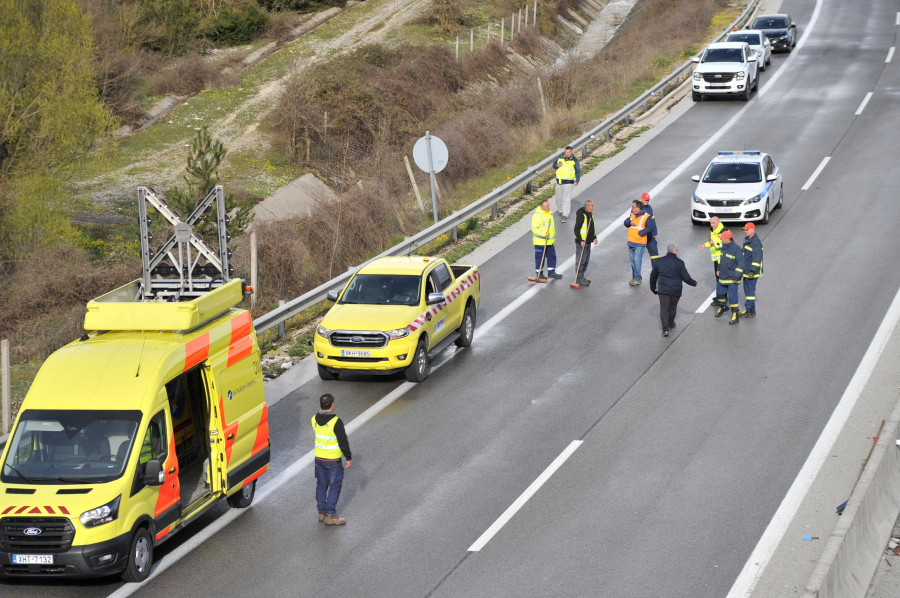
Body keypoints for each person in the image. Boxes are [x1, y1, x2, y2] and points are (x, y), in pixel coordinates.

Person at [312, 393, 352, 525]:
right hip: (332, 460)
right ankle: (330, 515)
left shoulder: (314, 419)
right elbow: (343, 441)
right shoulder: (336, 422)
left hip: (319, 458)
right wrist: (348, 457)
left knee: (321, 484)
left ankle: (321, 513)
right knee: (335, 485)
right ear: (332, 404)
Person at [649, 244, 697, 336]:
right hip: (676, 290)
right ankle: (671, 324)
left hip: (663, 290)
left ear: (667, 251)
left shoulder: (659, 261)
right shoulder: (680, 262)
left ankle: (665, 330)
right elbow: (686, 277)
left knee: (664, 308)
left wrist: (652, 288)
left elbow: (653, 276)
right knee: (672, 308)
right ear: (675, 251)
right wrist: (694, 283)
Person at [714, 230, 742, 325]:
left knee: (733, 297)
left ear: (727, 239)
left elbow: (741, 264)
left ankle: (735, 314)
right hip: (723, 276)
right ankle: (723, 307)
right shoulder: (724, 248)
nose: (721, 239)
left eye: (722, 238)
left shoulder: (736, 249)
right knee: (720, 293)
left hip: (732, 278)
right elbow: (721, 260)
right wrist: (718, 269)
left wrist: (736, 276)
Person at [699, 216, 726, 308]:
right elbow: (711, 242)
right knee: (718, 279)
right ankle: (720, 296)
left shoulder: (724, 231)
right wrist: (705, 245)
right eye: (710, 223)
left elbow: (727, 244)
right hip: (716, 259)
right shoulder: (713, 231)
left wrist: (715, 244)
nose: (711, 225)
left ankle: (722, 298)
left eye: (713, 223)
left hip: (722, 260)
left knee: (721, 280)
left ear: (718, 222)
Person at [623, 200, 652, 285]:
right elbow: (626, 222)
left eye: (633, 207)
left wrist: (640, 233)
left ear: (638, 208)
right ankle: (636, 276)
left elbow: (649, 228)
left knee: (637, 260)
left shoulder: (646, 216)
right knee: (632, 261)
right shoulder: (632, 214)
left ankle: (637, 278)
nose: (632, 208)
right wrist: (629, 222)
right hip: (631, 241)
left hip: (640, 242)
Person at [531, 199, 561, 281]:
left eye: (549, 205)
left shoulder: (549, 213)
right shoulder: (538, 216)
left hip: (549, 241)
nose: (549, 207)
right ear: (542, 207)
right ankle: (539, 274)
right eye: (547, 206)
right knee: (540, 258)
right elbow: (534, 229)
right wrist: (543, 234)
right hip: (540, 242)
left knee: (552, 256)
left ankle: (551, 272)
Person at [740, 222, 764, 317]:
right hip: (746, 270)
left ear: (752, 230)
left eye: (747, 230)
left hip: (751, 272)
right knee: (747, 290)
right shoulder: (748, 240)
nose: (745, 231)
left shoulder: (756, 242)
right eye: (745, 230)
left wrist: (752, 271)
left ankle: (749, 310)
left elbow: (757, 259)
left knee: (750, 291)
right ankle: (752, 311)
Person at [573, 199, 598, 287]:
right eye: (591, 206)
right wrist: (581, 240)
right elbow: (576, 229)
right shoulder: (581, 215)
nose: (593, 207)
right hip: (582, 242)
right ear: (587, 207)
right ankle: (579, 278)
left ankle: (582, 276)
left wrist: (594, 237)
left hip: (588, 241)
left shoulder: (590, 214)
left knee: (586, 260)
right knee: (581, 260)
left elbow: (592, 227)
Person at [553, 146, 581, 223]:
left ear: (571, 152)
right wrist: (556, 166)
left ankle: (565, 215)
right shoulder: (560, 158)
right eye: (566, 152)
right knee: (558, 198)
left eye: (569, 152)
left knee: (566, 199)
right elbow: (554, 165)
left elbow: (578, 171)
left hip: (569, 183)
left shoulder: (574, 161)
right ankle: (561, 211)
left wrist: (577, 181)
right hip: (559, 182)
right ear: (564, 152)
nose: (567, 153)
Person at [640, 192, 660, 262]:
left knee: (655, 255)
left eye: (648, 200)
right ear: (641, 199)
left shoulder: (649, 208)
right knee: (637, 258)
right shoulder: (637, 208)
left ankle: (656, 271)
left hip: (650, 235)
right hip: (641, 235)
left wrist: (655, 233)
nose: (647, 201)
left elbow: (652, 220)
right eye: (645, 200)